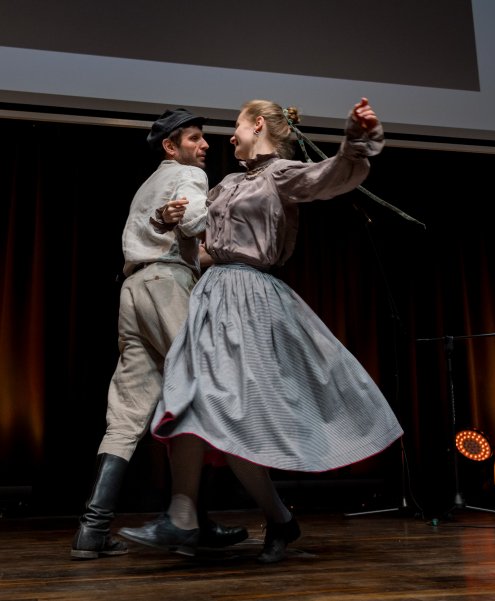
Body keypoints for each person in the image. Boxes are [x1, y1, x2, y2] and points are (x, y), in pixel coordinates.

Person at [119, 97, 403, 563]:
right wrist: (166, 222)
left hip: (251, 299)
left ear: (257, 125)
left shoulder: (281, 174)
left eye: (235, 126)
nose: (229, 137)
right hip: (212, 294)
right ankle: (189, 515)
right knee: (190, 398)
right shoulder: (228, 182)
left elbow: (333, 177)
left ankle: (241, 516)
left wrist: (356, 142)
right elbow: (207, 245)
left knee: (225, 409)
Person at [71, 109, 248, 559]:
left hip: (133, 289)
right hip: (166, 286)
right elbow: (190, 227)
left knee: (127, 413)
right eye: (194, 139)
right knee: (201, 392)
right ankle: (190, 522)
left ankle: (91, 532)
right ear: (172, 147)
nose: (204, 145)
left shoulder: (148, 183)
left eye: (203, 139)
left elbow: (176, 242)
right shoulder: (189, 176)